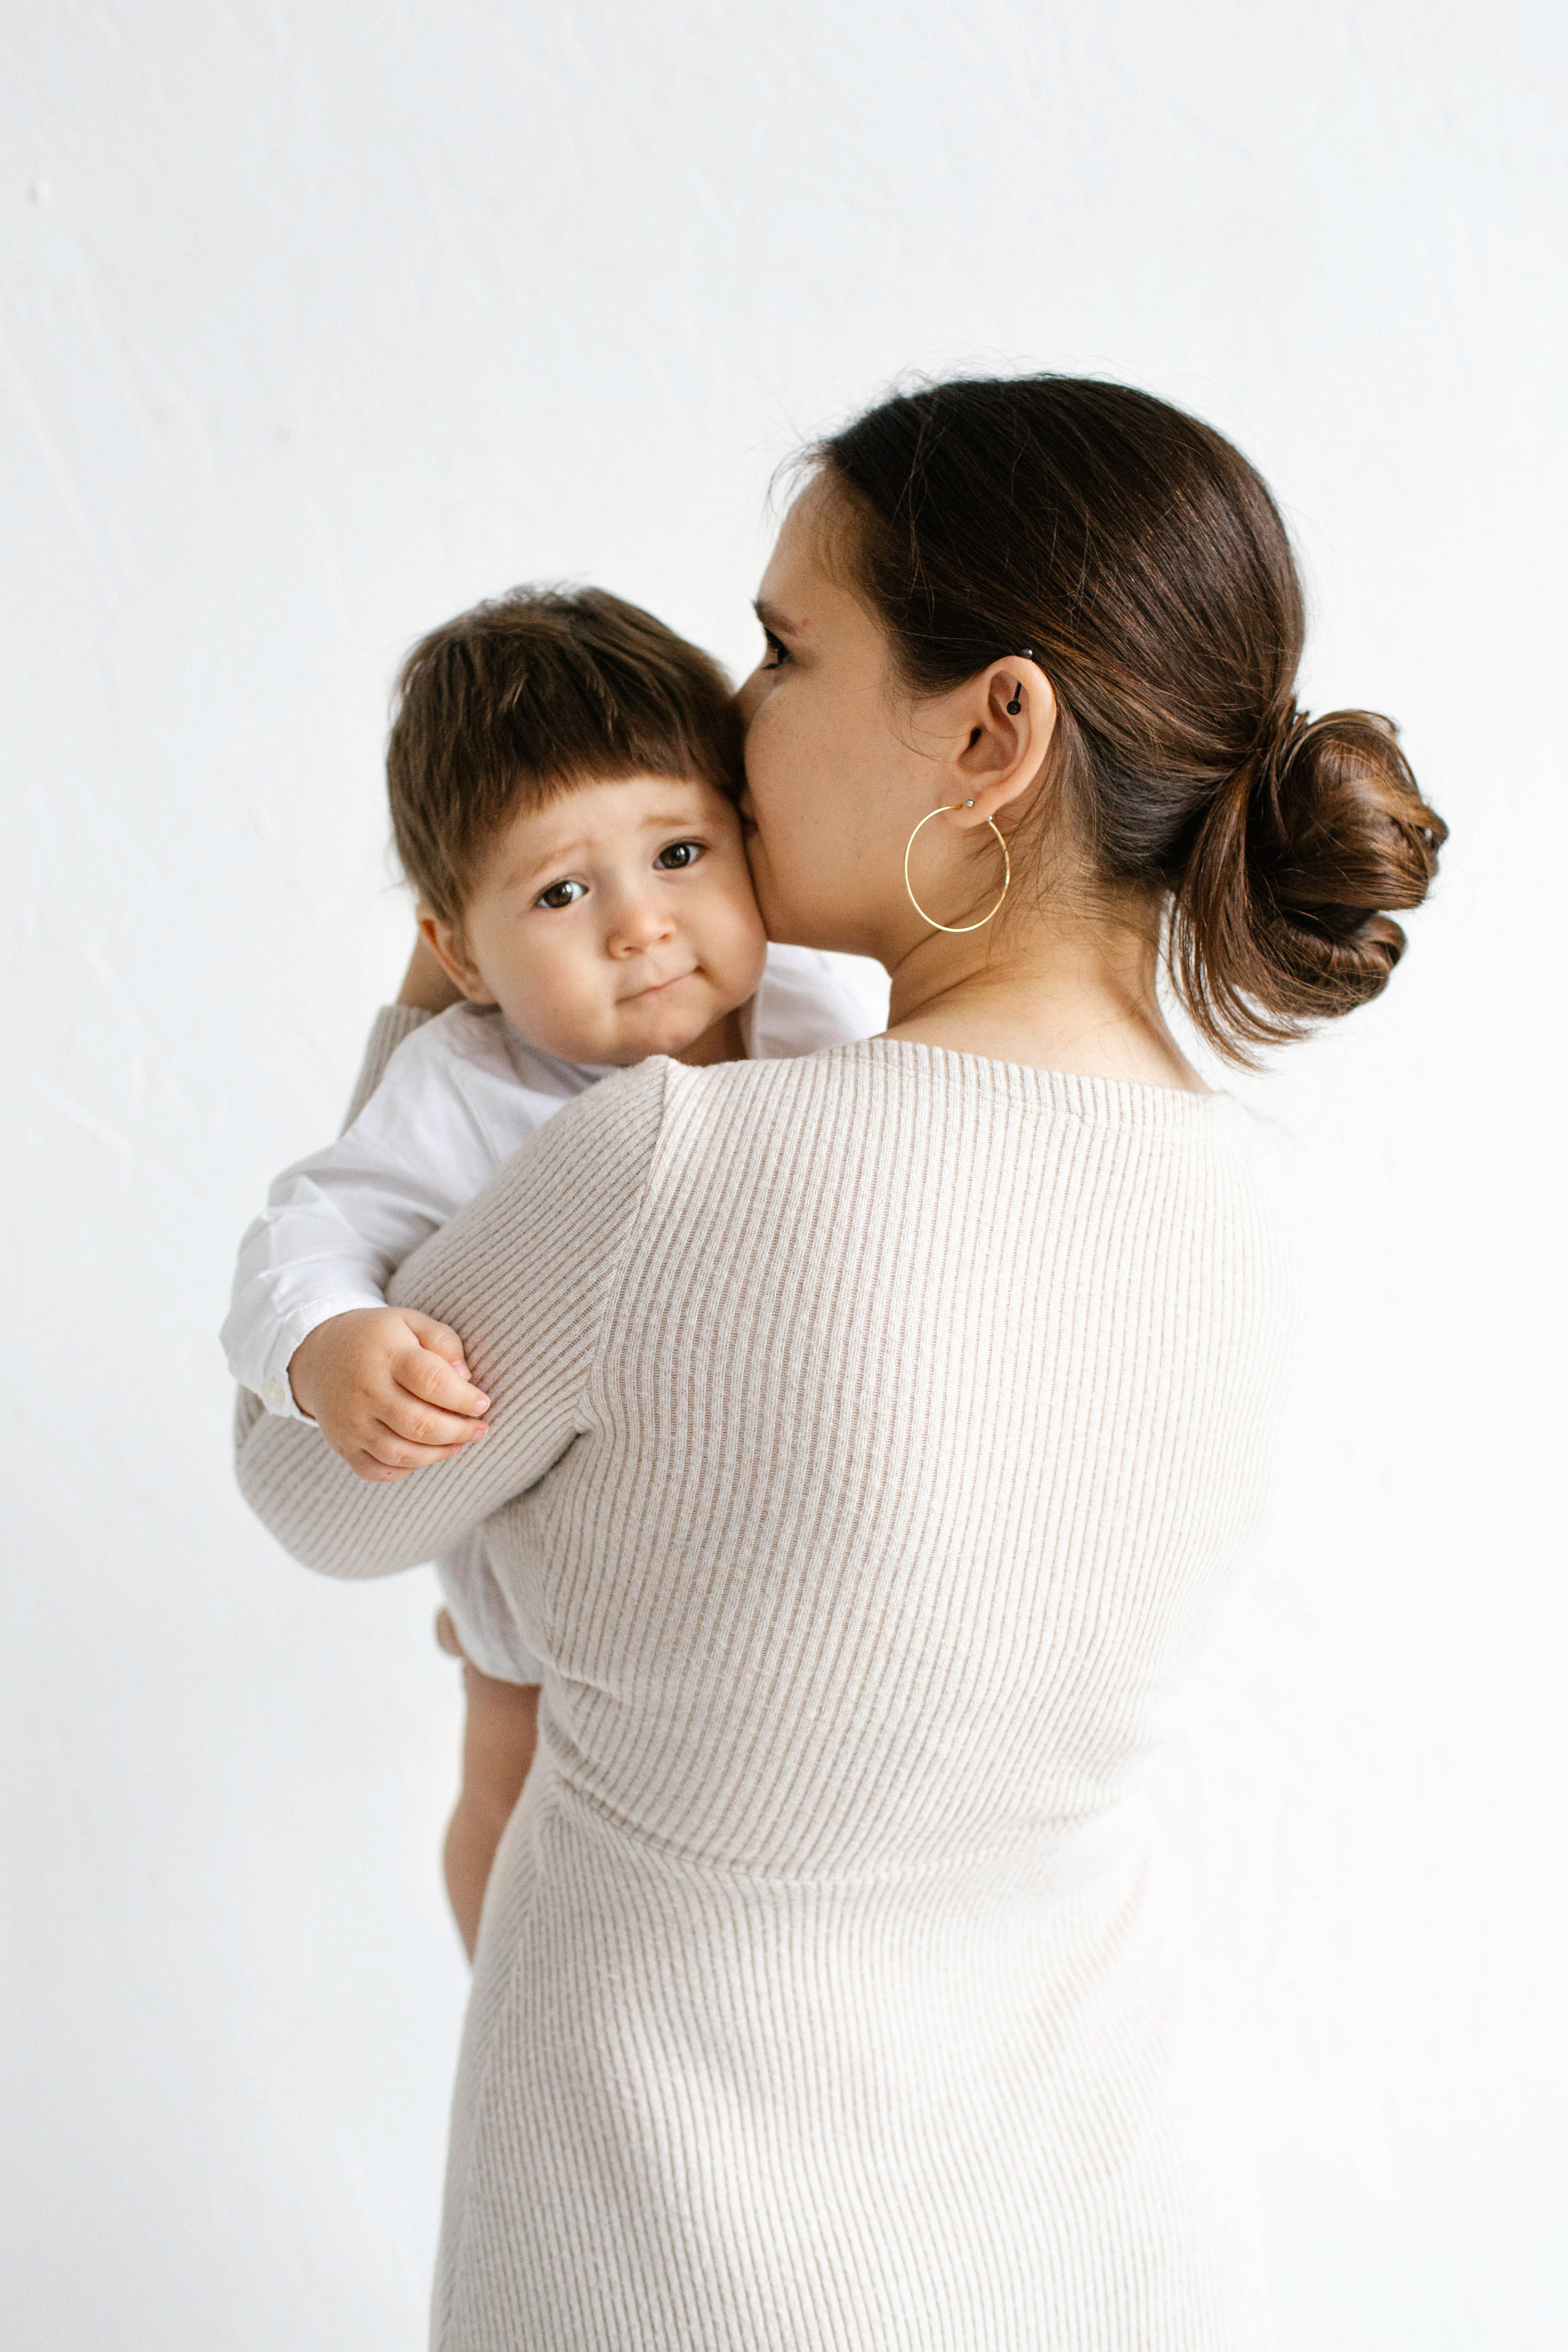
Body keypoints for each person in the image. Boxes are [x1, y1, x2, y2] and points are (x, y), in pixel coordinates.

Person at [235, 375, 1445, 2350]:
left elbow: (315, 1490)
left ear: (994, 731)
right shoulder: (1265, 1214)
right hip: (1111, 2222)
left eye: (787, 650)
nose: (735, 712)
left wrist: (424, 1019)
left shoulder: (666, 1168)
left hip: (677, 2235)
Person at [223, 586, 886, 1950]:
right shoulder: (464, 1084)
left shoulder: (825, 1015)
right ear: (458, 952)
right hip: (532, 1575)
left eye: (682, 852)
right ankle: (513, 1982)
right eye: (561, 891)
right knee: (506, 1771)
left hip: (737, 1566)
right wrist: (330, 1344)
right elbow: (306, 1231)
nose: (638, 925)